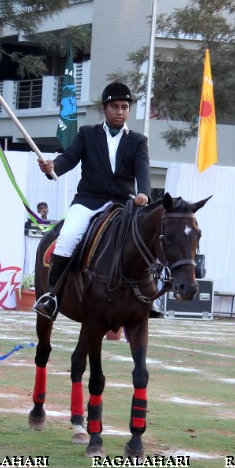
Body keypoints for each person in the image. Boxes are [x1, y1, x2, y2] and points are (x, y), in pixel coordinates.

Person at [33, 82, 151, 319]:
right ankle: (52, 297)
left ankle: (147, 296)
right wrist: (52, 166)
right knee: (67, 237)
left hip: (123, 204)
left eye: (125, 107)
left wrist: (145, 193)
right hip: (88, 201)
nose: (120, 111)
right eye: (115, 106)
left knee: (145, 241)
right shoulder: (87, 134)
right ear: (105, 109)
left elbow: (143, 170)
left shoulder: (138, 140)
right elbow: (69, 159)